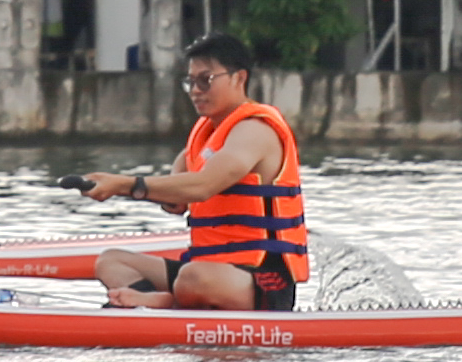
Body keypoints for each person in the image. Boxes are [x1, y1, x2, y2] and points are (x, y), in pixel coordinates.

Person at [83, 30, 307, 308]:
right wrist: (110, 187)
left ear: (239, 78)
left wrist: (122, 184)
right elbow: (177, 200)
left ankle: (163, 303)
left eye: (206, 80)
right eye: (190, 82)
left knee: (192, 276)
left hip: (261, 279)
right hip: (208, 268)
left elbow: (203, 186)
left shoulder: (255, 130)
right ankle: (151, 303)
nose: (196, 91)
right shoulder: (203, 138)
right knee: (111, 261)